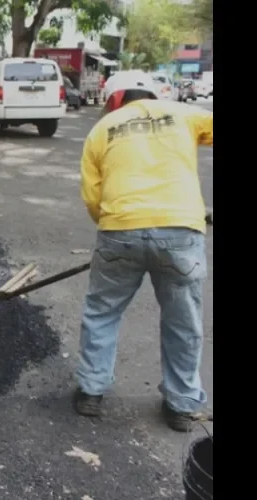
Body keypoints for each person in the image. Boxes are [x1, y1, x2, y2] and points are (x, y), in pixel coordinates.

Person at [73, 71, 213, 432]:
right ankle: (182, 406)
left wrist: (112, 226)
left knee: (102, 311)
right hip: (181, 229)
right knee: (183, 321)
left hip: (120, 230)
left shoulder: (102, 130)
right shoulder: (183, 114)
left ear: (115, 99)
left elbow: (92, 196)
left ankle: (91, 391)